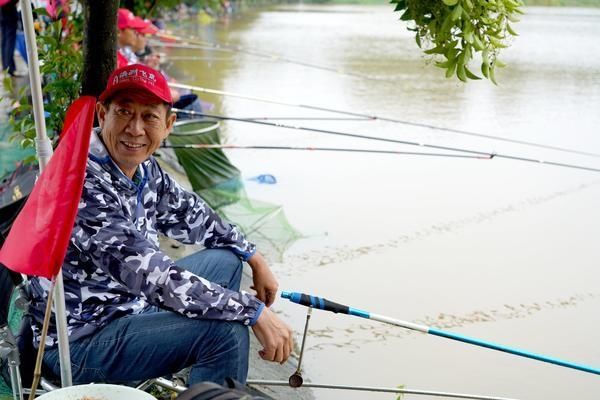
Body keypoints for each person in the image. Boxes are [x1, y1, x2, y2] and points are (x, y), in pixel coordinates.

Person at [29, 63, 293, 385]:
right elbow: (153, 276)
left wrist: (254, 256)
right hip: (81, 344)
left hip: (130, 308)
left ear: (169, 124)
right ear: (102, 115)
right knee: (225, 331)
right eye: (124, 112)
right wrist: (252, 310)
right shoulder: (81, 182)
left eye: (149, 116)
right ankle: (208, 375)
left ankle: (202, 374)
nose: (135, 129)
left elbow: (193, 214)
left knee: (226, 260)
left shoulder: (144, 169)